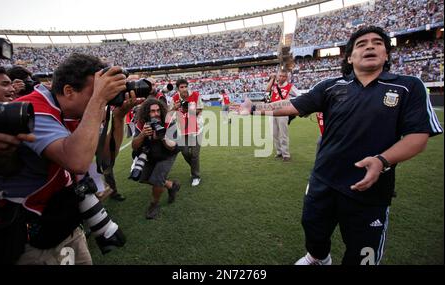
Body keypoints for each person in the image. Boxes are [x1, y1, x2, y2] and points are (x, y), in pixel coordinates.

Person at [241, 26, 443, 265]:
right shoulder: (331, 86)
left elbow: (418, 137)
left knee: (362, 252)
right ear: (349, 57)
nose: (369, 46)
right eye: (361, 44)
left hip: (371, 188)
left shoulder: (409, 86)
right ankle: (318, 258)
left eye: (377, 43)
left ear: (387, 54)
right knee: (313, 228)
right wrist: (254, 108)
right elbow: (293, 104)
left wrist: (382, 160)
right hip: (323, 179)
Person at [0, 53, 137, 264]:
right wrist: (98, 100)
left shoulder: (76, 113)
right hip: (33, 237)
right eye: (94, 91)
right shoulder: (34, 110)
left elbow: (106, 159)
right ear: (69, 91)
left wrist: (117, 118)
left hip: (65, 224)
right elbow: (77, 162)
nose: (100, 98)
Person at [131, 98, 180, 219]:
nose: (156, 114)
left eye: (158, 110)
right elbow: (134, 146)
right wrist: (142, 135)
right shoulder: (141, 123)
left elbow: (172, 147)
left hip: (167, 154)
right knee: (141, 177)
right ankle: (171, 185)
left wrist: (162, 137)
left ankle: (154, 205)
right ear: (147, 112)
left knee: (157, 179)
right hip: (151, 154)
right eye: (152, 111)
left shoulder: (168, 122)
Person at [170, 78, 204, 187]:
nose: (184, 89)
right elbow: (169, 114)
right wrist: (175, 108)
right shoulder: (174, 98)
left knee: (194, 154)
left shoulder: (195, 95)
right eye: (181, 87)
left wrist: (188, 109)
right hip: (182, 131)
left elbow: (200, 109)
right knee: (184, 152)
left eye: (185, 86)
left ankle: (196, 176)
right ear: (178, 89)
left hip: (196, 129)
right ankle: (194, 168)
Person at [265, 70, 299, 162]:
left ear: (286, 77)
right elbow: (267, 90)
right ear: (277, 76)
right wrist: (272, 79)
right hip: (272, 111)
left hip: (283, 112)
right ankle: (279, 151)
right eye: (280, 76)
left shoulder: (290, 86)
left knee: (283, 134)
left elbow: (299, 96)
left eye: (284, 76)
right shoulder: (274, 85)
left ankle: (286, 154)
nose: (281, 78)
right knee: (274, 134)